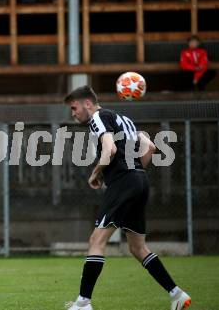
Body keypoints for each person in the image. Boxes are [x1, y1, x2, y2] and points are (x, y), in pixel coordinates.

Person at [63, 86, 191, 310]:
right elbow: (149, 147)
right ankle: (177, 295)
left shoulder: (99, 117)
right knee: (138, 248)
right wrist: (132, 173)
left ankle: (83, 303)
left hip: (123, 183)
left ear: (87, 104)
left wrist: (96, 172)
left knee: (96, 240)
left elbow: (110, 149)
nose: (73, 113)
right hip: (140, 181)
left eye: (74, 108)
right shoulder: (125, 120)